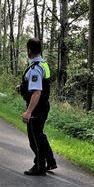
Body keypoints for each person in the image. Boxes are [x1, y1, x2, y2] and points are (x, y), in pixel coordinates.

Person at [17, 38, 57, 176]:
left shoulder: (35, 68)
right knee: (39, 135)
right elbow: (40, 85)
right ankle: (50, 161)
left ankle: (39, 166)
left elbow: (37, 92)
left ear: (29, 50)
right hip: (43, 106)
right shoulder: (42, 64)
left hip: (36, 108)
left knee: (34, 139)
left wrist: (28, 112)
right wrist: (22, 87)